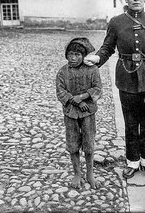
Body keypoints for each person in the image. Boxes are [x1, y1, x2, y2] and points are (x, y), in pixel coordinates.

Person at [84, 0, 145, 179]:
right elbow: (107, 48)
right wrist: (97, 58)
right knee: (131, 122)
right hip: (127, 79)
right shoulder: (116, 23)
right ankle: (132, 161)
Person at [55, 37, 102, 189]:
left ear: (84, 56)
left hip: (88, 112)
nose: (73, 58)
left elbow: (97, 89)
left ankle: (89, 173)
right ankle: (77, 173)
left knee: (88, 143)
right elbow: (60, 91)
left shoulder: (93, 70)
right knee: (73, 143)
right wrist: (75, 101)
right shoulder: (63, 72)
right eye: (70, 54)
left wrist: (82, 97)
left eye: (77, 55)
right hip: (70, 113)